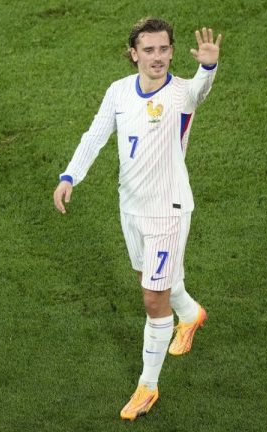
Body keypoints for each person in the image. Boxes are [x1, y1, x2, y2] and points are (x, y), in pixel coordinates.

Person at [52, 17, 222, 421]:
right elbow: (95, 135)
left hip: (169, 209)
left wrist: (209, 67)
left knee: (151, 297)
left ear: (172, 52)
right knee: (152, 279)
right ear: (134, 54)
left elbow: (200, 90)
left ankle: (148, 385)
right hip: (130, 208)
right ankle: (191, 314)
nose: (157, 57)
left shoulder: (182, 93)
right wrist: (70, 176)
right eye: (149, 50)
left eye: (164, 49)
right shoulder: (118, 92)